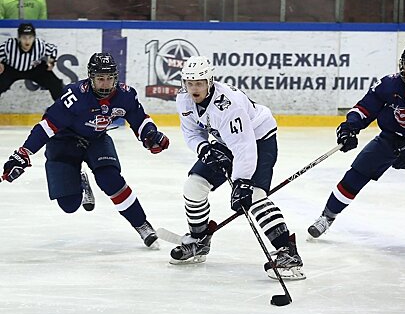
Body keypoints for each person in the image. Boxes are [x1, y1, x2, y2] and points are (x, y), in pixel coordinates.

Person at [2, 52, 170, 248]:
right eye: (100, 79)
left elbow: (139, 119)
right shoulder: (75, 96)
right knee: (69, 205)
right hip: (64, 142)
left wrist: (150, 134)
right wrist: (24, 153)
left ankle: (142, 224)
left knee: (110, 180)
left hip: (96, 139)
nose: (106, 84)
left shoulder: (125, 95)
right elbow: (46, 127)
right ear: (91, 78)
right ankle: (81, 180)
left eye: (110, 78)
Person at [308, 44, 405, 251]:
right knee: (357, 173)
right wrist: (350, 126)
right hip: (390, 138)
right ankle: (327, 217)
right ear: (401, 65)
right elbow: (364, 108)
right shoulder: (387, 84)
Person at [170, 55, 305, 280]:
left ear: (210, 82)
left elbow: (244, 147)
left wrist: (242, 182)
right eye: (190, 83)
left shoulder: (227, 104)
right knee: (193, 187)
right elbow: (191, 131)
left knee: (254, 196)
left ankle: (287, 252)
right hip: (225, 141)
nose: (194, 88)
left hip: (259, 139)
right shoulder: (183, 99)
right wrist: (203, 147)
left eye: (200, 83)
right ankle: (199, 239)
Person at [0, 23, 62, 101]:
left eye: (30, 37)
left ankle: (63, 110)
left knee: (56, 85)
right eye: (24, 37)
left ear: (34, 38)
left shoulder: (40, 45)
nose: (27, 40)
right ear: (18, 38)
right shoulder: (9, 46)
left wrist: (51, 61)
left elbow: (53, 49)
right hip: (11, 70)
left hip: (34, 69)